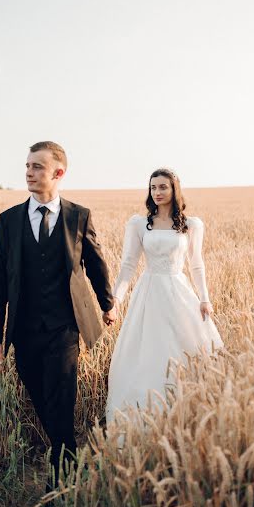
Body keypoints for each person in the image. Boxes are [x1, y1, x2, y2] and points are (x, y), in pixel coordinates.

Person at [0, 141, 117, 489]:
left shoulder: (79, 215)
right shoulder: (9, 220)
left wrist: (107, 304)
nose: (29, 172)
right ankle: (71, 454)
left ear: (58, 173)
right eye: (27, 166)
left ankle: (61, 476)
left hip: (64, 326)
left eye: (37, 167)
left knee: (62, 396)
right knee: (39, 394)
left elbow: (96, 264)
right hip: (24, 328)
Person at [106, 168, 224, 423]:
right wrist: (115, 301)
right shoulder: (138, 223)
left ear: (174, 190)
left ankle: (185, 413)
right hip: (148, 293)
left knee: (185, 349)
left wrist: (205, 298)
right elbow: (128, 265)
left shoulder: (192, 224)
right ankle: (144, 413)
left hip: (179, 291)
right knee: (147, 351)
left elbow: (196, 264)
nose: (157, 192)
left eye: (163, 187)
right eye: (153, 188)